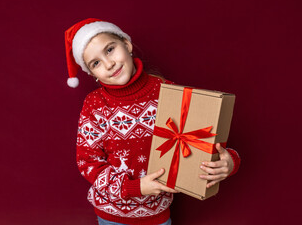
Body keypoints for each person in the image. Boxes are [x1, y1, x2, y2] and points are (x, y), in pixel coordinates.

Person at [64, 18, 241, 225]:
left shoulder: (168, 92)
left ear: (127, 44)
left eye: (110, 50)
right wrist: (135, 188)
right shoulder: (95, 104)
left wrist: (230, 161)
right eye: (96, 63)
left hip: (157, 214)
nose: (109, 64)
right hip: (112, 215)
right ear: (91, 73)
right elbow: (89, 163)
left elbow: (202, 141)